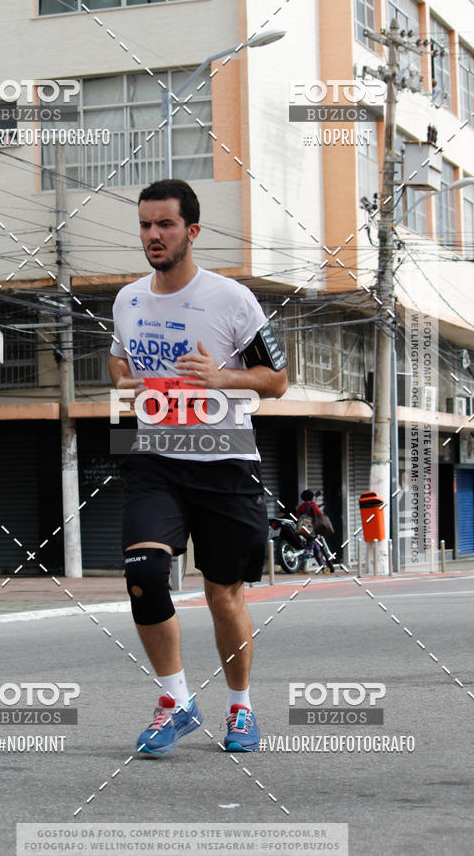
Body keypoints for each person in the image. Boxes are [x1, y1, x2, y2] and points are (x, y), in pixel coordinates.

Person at [109, 179, 288, 755]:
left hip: (224, 462)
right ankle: (176, 700)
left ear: (192, 231)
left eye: (164, 224)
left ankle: (240, 707)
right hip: (154, 457)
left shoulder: (232, 299)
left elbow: (278, 382)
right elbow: (117, 360)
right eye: (145, 225)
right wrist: (125, 383)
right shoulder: (129, 299)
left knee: (223, 594)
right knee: (142, 573)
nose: (153, 235)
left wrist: (223, 378)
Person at [295, 489, 334, 573]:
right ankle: (301, 567)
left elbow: (297, 516)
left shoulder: (301, 506)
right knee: (309, 548)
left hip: (303, 529)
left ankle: (323, 568)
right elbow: (319, 513)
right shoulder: (312, 504)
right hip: (311, 530)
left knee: (316, 548)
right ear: (312, 497)